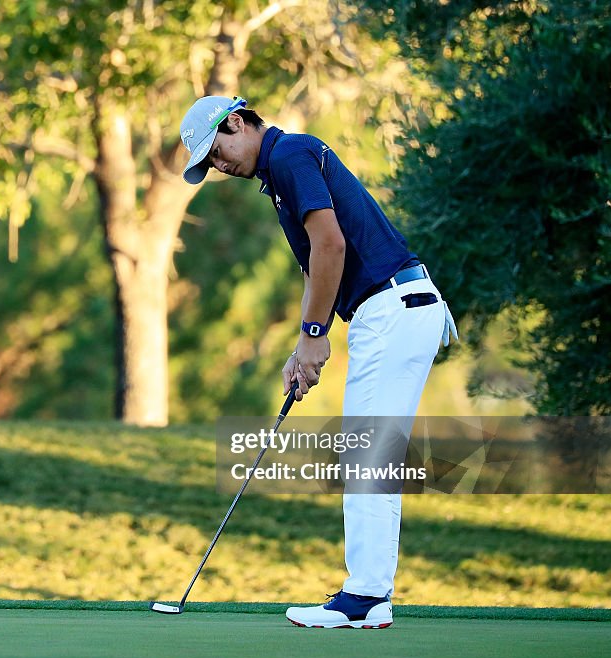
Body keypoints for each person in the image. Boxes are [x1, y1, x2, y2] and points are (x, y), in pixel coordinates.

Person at [179, 95, 458, 628]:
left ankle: (365, 597)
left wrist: (314, 334)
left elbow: (331, 246)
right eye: (210, 164)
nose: (219, 166)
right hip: (397, 310)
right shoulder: (280, 177)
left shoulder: (289, 156)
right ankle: (371, 597)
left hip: (392, 308)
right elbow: (315, 266)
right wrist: (305, 345)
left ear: (236, 121)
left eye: (216, 151)